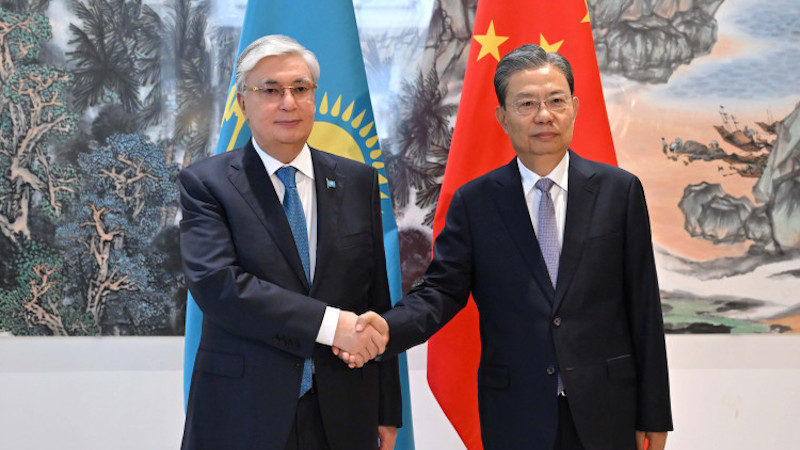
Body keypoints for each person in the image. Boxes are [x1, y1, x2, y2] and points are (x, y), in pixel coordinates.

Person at [348, 44, 673, 449]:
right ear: (502, 116)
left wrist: (655, 412)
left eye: (556, 101)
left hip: (607, 408)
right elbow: (441, 292)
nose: (544, 115)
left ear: (573, 106)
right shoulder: (476, 202)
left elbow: (643, 308)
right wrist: (388, 327)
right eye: (527, 103)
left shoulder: (619, 191)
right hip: (516, 412)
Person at [179, 35, 401, 450]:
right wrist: (332, 325)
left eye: (300, 89)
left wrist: (387, 408)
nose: (288, 102)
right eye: (271, 90)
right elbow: (219, 285)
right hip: (243, 408)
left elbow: (376, 299)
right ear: (243, 103)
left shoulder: (357, 181)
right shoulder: (207, 184)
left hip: (343, 408)